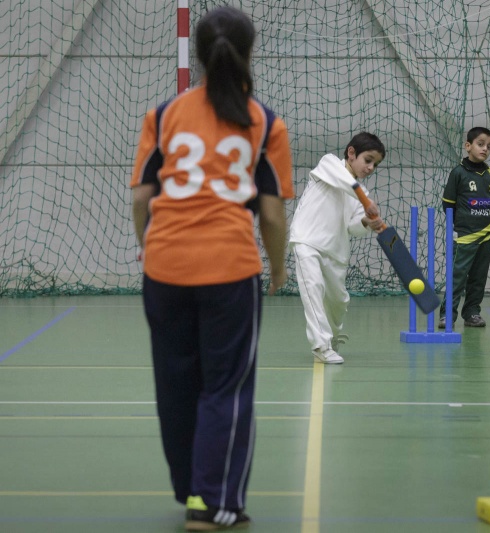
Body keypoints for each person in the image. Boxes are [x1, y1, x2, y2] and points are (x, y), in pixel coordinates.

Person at [130, 6, 294, 530]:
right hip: (228, 269)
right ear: (250, 53)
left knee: (176, 383)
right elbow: (271, 213)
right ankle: (213, 501)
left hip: (164, 268)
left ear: (198, 55)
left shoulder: (163, 115)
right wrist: (278, 268)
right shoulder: (264, 121)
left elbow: (141, 198)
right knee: (225, 386)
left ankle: (192, 491)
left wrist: (150, 247)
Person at [289, 132, 385, 364]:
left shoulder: (362, 195)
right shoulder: (329, 164)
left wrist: (366, 222)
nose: (371, 167)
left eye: (375, 164)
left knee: (339, 302)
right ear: (351, 153)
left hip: (336, 251)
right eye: (368, 160)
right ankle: (321, 346)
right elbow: (346, 182)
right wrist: (365, 201)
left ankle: (330, 337)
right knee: (313, 288)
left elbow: (353, 227)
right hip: (307, 240)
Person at [438, 127, 490, 329]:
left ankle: (472, 312)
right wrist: (457, 229)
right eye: (480, 144)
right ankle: (447, 315)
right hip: (463, 237)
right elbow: (447, 204)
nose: (485, 149)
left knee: (478, 279)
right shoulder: (458, 173)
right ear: (468, 146)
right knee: (457, 278)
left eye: (489, 147)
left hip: (486, 236)